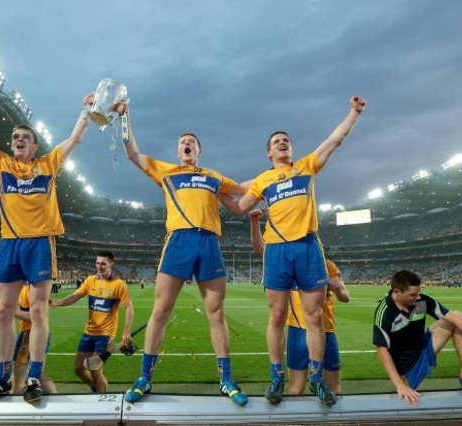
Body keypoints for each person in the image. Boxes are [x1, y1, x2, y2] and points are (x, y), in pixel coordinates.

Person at [0, 73, 94, 404]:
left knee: (38, 312)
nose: (20, 139)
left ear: (35, 145)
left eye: (26, 137)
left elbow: (75, 140)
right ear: (11, 144)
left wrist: (85, 112)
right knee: (3, 312)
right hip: (9, 243)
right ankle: (2, 378)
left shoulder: (48, 164)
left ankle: (35, 378)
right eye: (16, 137)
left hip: (39, 243)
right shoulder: (1, 164)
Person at [224, 96, 366, 406]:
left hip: (308, 246)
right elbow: (237, 207)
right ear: (269, 152)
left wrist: (354, 112)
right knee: (276, 316)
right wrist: (212, 188)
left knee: (314, 317)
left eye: (286, 140)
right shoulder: (263, 180)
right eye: (277, 142)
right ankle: (277, 378)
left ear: (291, 148)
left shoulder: (306, 166)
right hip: (276, 250)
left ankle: (316, 379)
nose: (282, 143)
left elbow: (334, 140)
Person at [119, 105, 249, 406]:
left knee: (216, 313)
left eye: (191, 141)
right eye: (182, 142)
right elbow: (132, 154)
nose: (186, 144)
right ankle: (145, 378)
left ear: (199, 150)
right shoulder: (168, 172)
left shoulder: (213, 177)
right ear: (179, 151)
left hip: (209, 243)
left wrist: (274, 178)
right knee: (161, 310)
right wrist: (124, 117)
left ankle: (226, 380)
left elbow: (243, 189)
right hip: (179, 240)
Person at [249, 209, 350, 395]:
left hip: (325, 330)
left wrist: (337, 288)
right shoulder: (285, 260)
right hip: (296, 330)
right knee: (296, 390)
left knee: (334, 389)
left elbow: (346, 297)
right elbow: (261, 249)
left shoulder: (328, 266)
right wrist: (255, 224)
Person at [373, 270, 462, 406]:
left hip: (422, 348)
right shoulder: (385, 312)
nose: (417, 297)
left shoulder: (421, 302)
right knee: (408, 405)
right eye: (412, 295)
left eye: (418, 292)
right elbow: (382, 350)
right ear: (397, 291)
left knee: (457, 316)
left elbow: (454, 318)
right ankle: (406, 383)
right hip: (406, 368)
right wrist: (400, 385)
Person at [50, 251, 133, 392]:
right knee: (78, 369)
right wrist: (57, 303)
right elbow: (75, 296)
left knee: (95, 370)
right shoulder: (90, 281)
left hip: (105, 335)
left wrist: (126, 332)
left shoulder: (119, 285)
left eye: (103, 264)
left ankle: (102, 399)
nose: (99, 266)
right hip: (88, 333)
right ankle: (97, 389)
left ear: (111, 264)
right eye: (97, 263)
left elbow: (129, 307)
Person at [12, 284, 57, 394]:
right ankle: (56, 401)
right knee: (37, 375)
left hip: (30, 334)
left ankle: (15, 407)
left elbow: (36, 317)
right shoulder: (27, 288)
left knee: (19, 379)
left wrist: (10, 311)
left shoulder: (32, 290)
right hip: (32, 333)